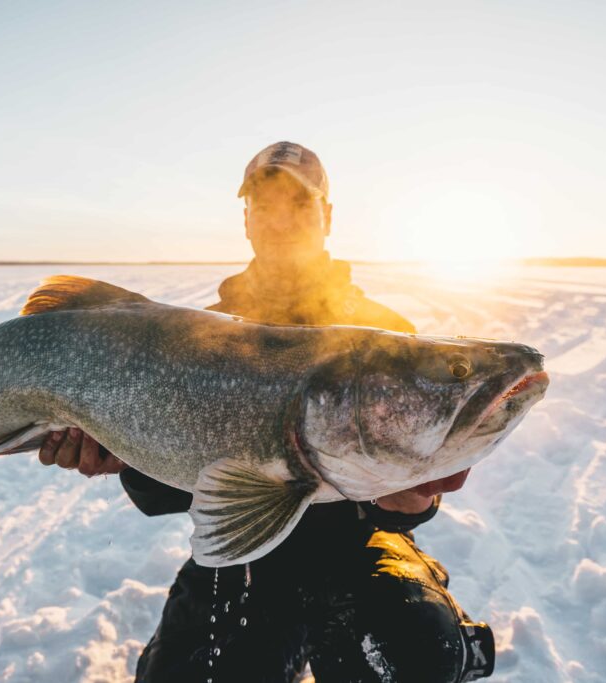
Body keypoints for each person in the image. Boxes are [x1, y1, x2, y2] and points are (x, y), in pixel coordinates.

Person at [38, 142, 495, 682]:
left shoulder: (384, 335)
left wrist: (410, 500)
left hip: (356, 549)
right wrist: (121, 452)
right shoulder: (198, 340)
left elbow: (408, 492)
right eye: (265, 203)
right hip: (243, 557)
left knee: (416, 652)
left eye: (299, 204)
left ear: (326, 217)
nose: (281, 219)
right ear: (247, 220)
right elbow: (167, 491)